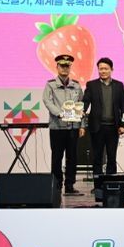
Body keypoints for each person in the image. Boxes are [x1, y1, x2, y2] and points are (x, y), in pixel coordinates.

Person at [42, 55, 84, 195]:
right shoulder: (50, 85)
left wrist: (82, 125)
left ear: (70, 67)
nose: (65, 69)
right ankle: (57, 184)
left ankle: (70, 185)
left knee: (72, 157)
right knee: (57, 157)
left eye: (67, 66)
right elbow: (47, 101)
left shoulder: (76, 85)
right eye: (62, 66)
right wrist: (60, 113)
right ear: (57, 67)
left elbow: (81, 105)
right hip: (57, 127)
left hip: (73, 127)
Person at [81, 58, 124, 175]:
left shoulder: (119, 85)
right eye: (100, 69)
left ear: (111, 69)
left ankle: (111, 181)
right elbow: (85, 102)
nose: (103, 71)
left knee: (112, 156)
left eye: (106, 69)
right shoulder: (91, 85)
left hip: (113, 127)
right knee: (97, 156)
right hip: (97, 127)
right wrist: (80, 111)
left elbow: (123, 106)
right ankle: (98, 182)